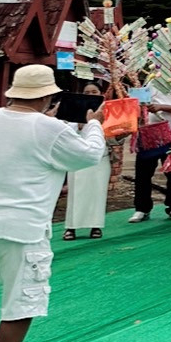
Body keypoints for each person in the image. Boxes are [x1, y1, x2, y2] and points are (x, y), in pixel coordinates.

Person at [0, 65, 105, 342]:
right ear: (49, 96)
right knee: (24, 296)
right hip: (21, 225)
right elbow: (88, 155)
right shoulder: (49, 128)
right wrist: (95, 124)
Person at [63, 81, 114, 241]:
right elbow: (64, 130)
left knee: (97, 191)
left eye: (94, 92)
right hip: (78, 156)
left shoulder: (107, 110)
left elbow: (114, 133)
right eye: (87, 92)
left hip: (100, 156)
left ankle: (96, 226)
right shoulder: (73, 109)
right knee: (75, 192)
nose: (90, 95)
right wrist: (78, 126)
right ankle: (71, 227)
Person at [129, 93, 171, 224]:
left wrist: (162, 107)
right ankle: (142, 208)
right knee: (143, 173)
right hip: (148, 134)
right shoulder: (150, 80)